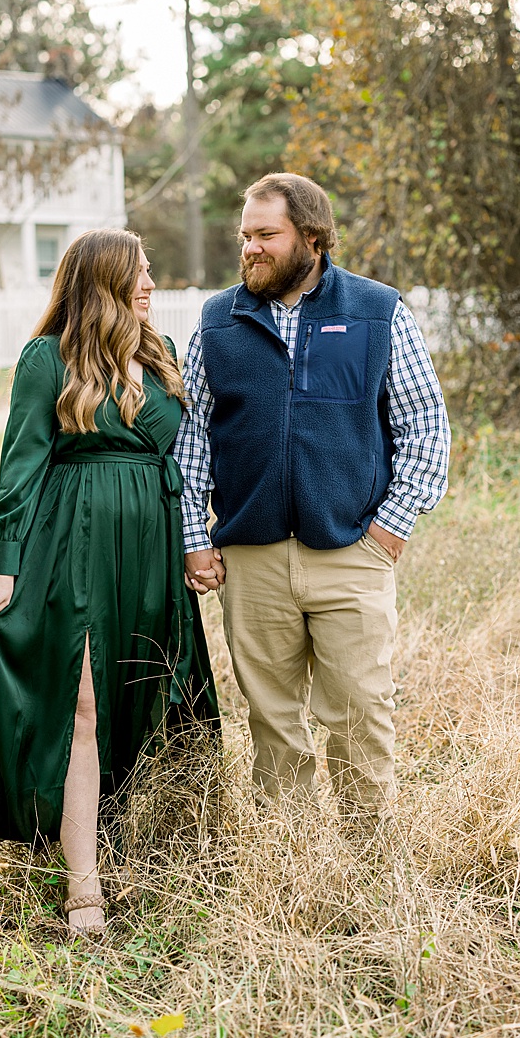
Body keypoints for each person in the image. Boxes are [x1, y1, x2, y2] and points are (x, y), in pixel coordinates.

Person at [0, 228, 219, 938]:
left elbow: (192, 455)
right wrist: (3, 561)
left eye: (150, 272)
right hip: (72, 544)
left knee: (145, 693)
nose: (150, 284)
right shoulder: (48, 359)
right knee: (82, 705)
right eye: (138, 274)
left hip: (152, 546)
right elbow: (21, 462)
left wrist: (200, 539)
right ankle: (84, 886)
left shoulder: (157, 355)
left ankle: (138, 837)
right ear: (101, 282)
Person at [173, 172, 450, 828]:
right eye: (246, 237)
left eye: (267, 235)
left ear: (314, 238)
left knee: (359, 718)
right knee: (273, 728)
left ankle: (370, 872)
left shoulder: (377, 312)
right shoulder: (218, 322)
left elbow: (424, 427)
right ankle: (291, 871)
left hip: (352, 553)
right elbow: (192, 442)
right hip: (253, 559)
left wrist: (390, 529)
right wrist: (194, 536)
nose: (251, 249)